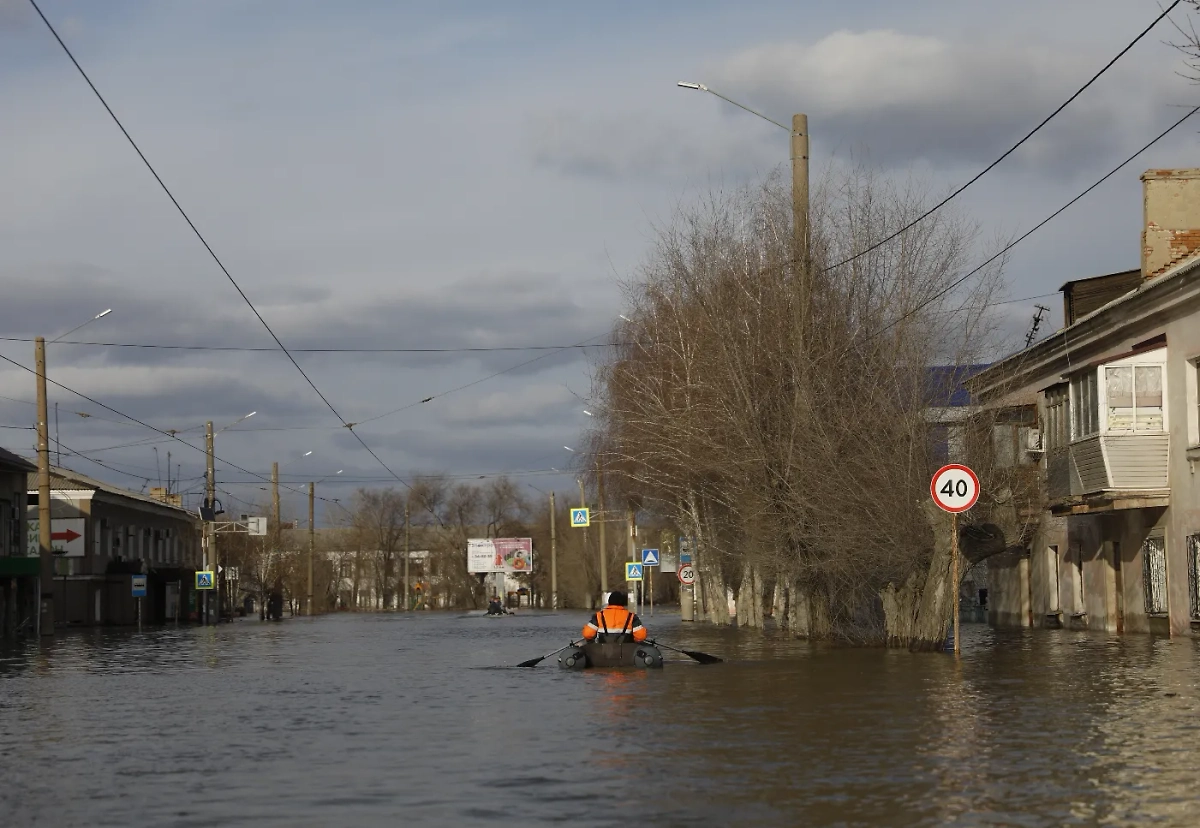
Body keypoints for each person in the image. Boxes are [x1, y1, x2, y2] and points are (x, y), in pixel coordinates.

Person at [582, 590, 647, 643]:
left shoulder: (598, 615)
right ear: (623, 603)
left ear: (609, 602)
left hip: (603, 653)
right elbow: (640, 636)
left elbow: (588, 634)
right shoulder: (632, 617)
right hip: (626, 653)